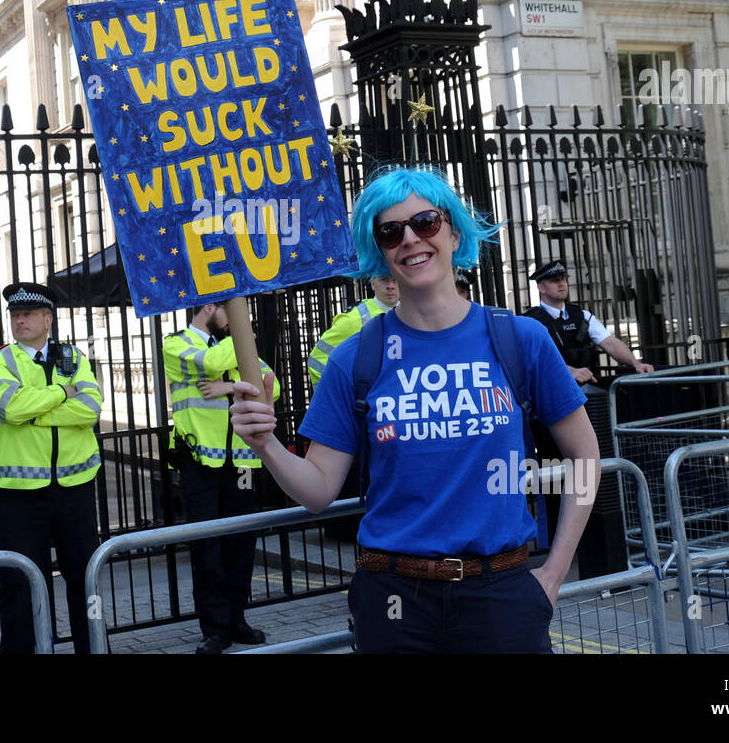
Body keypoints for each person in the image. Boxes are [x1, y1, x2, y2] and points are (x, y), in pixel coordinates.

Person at [229, 166, 600, 653]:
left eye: (425, 222)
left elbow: (586, 458)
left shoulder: (519, 339)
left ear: (452, 229)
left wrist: (551, 574)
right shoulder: (355, 359)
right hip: (394, 599)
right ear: (378, 250)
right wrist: (267, 444)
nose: (410, 240)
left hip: (502, 593)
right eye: (390, 231)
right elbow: (319, 491)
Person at [0, 281, 104, 654]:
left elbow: (92, 407)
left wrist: (36, 414)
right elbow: (12, 408)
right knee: (20, 582)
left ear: (47, 319)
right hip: (19, 494)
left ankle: (94, 648)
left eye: (28, 314)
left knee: (85, 577)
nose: (19, 321)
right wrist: (61, 394)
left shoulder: (73, 357)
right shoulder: (1, 360)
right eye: (15, 315)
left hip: (75, 487)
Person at [164, 301, 280, 653]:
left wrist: (228, 389)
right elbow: (213, 364)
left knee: (241, 543)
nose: (236, 318)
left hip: (243, 459)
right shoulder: (177, 343)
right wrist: (245, 341)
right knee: (208, 546)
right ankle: (215, 628)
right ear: (211, 307)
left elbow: (270, 387)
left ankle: (237, 620)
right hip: (201, 459)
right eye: (233, 310)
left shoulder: (233, 343)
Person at [524, 261, 654, 383]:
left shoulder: (582, 315)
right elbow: (535, 358)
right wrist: (569, 371)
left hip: (588, 386)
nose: (561, 284)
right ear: (541, 288)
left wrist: (635, 363)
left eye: (563, 279)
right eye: (554, 280)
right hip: (553, 389)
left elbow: (610, 343)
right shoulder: (531, 321)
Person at [307, 276, 399, 385]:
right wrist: (339, 397)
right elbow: (317, 362)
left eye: (396, 280)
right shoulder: (353, 319)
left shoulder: (416, 316)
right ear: (373, 284)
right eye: (384, 279)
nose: (390, 286)